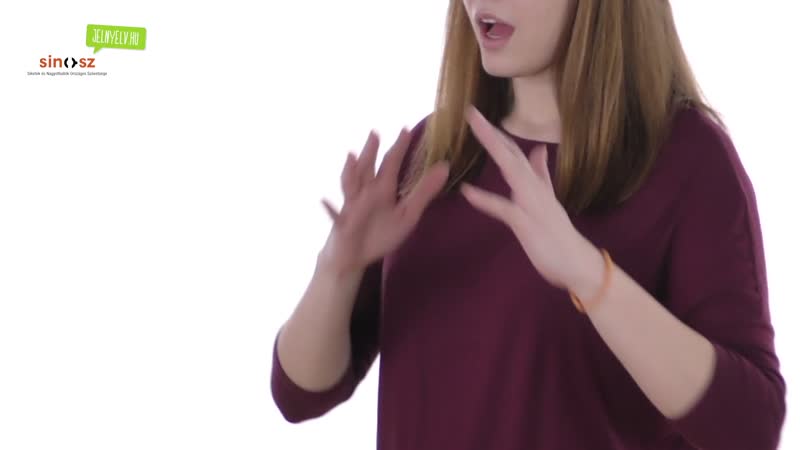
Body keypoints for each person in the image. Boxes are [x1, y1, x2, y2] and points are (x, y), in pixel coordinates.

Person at [270, 0, 786, 449]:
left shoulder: (687, 160)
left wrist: (590, 276)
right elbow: (299, 395)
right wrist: (337, 269)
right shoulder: (437, 153)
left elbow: (750, 426)